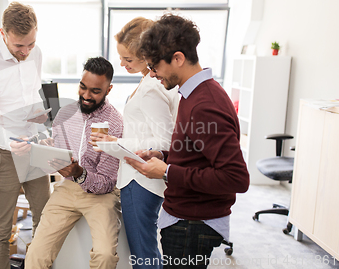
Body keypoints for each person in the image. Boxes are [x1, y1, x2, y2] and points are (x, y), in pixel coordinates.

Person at [125, 14, 250, 269]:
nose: (152, 73)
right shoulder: (192, 94)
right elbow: (198, 152)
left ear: (178, 58)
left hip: (192, 224)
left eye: (155, 66)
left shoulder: (205, 104)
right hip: (186, 219)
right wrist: (165, 156)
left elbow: (236, 177)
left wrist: (169, 171)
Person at [90, 17, 179, 269]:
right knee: (144, 248)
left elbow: (165, 141)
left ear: (146, 54)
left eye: (128, 59)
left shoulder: (152, 88)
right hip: (137, 177)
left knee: (143, 251)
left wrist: (116, 142)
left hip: (140, 179)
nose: (121, 64)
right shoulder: (148, 80)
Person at [24, 57, 124, 269]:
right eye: (82, 87)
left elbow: (106, 182)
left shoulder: (114, 122)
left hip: (101, 195)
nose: (86, 96)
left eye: (95, 91)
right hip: (67, 189)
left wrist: (80, 173)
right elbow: (56, 163)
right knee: (36, 253)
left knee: (105, 255)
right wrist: (46, 150)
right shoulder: (65, 113)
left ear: (109, 89)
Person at [0, 2, 50, 269]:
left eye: (30, 44)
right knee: (2, 230)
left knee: (46, 221)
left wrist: (43, 123)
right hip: (4, 154)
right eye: (19, 46)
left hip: (34, 150)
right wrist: (11, 142)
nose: (26, 52)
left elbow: (33, 97)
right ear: (3, 33)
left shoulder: (35, 53)